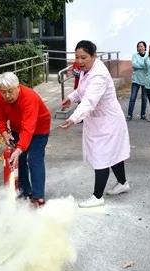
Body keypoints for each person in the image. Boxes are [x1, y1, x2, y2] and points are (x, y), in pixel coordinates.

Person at [60, 40, 131, 208]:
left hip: (108, 122)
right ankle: (122, 183)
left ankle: (97, 197)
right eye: (77, 57)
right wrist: (71, 98)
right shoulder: (87, 70)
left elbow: (89, 101)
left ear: (94, 56)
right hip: (99, 120)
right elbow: (81, 90)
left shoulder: (98, 74)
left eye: (84, 57)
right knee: (113, 154)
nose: (80, 61)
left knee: (102, 156)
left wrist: (73, 118)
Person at [0, 72, 51, 207]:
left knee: (34, 159)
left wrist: (19, 148)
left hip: (39, 127)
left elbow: (29, 127)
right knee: (20, 160)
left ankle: (38, 196)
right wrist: (4, 133)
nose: (7, 96)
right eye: (3, 92)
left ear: (18, 87)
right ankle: (25, 191)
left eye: (10, 91)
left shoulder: (29, 97)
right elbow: (0, 118)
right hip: (16, 127)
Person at [126, 41, 147, 121]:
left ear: (145, 47)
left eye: (141, 46)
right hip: (136, 80)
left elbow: (147, 65)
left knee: (144, 98)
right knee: (132, 97)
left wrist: (139, 65)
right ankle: (129, 114)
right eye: (138, 46)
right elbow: (134, 65)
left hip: (145, 80)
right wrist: (143, 65)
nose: (140, 48)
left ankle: (143, 114)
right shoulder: (135, 55)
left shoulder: (148, 55)